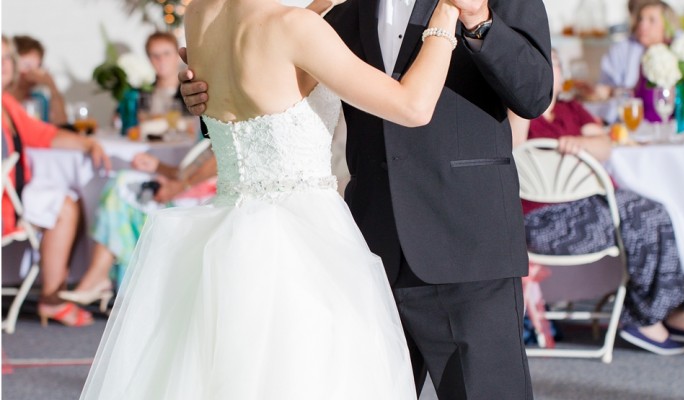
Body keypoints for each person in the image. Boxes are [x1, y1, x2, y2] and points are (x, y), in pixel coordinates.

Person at [79, 0, 467, 397]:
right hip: (303, 239)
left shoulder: (199, 15)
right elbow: (413, 106)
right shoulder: (296, 28)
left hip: (226, 233)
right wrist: (445, 17)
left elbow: (269, 54)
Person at [180, 0, 552, 398]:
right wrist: (211, 91)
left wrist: (479, 20)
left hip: (465, 244)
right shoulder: (329, 11)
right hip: (365, 251)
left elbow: (535, 95)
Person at [508, 50, 684, 356]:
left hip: (587, 205)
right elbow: (515, 152)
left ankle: (672, 310)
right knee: (645, 217)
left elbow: (605, 144)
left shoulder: (572, 109)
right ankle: (645, 319)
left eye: (553, 63)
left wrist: (580, 144)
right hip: (543, 220)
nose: (547, 68)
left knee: (656, 210)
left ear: (563, 75)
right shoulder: (518, 112)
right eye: (539, 60)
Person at [2, 35, 111, 327]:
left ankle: (55, 293)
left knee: (69, 200)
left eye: (7, 59)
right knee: (64, 206)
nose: (4, 65)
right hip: (4, 205)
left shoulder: (6, 103)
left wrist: (87, 143)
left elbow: (42, 133)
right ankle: (52, 299)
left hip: (12, 194)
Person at [57, 146, 217, 309]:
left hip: (209, 200)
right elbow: (206, 160)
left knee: (120, 190)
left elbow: (222, 159)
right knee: (121, 183)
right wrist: (159, 167)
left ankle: (102, 278)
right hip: (195, 187)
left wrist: (180, 186)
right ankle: (100, 276)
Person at [9, 35, 68, 126]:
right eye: (27, 65)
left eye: (39, 65)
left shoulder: (40, 99)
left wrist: (52, 86)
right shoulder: (4, 99)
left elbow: (61, 123)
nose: (35, 71)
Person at [138, 31, 189, 118]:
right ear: (149, 59)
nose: (161, 59)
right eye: (155, 55)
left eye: (166, 53)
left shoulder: (191, 93)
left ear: (178, 55)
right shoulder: (141, 95)